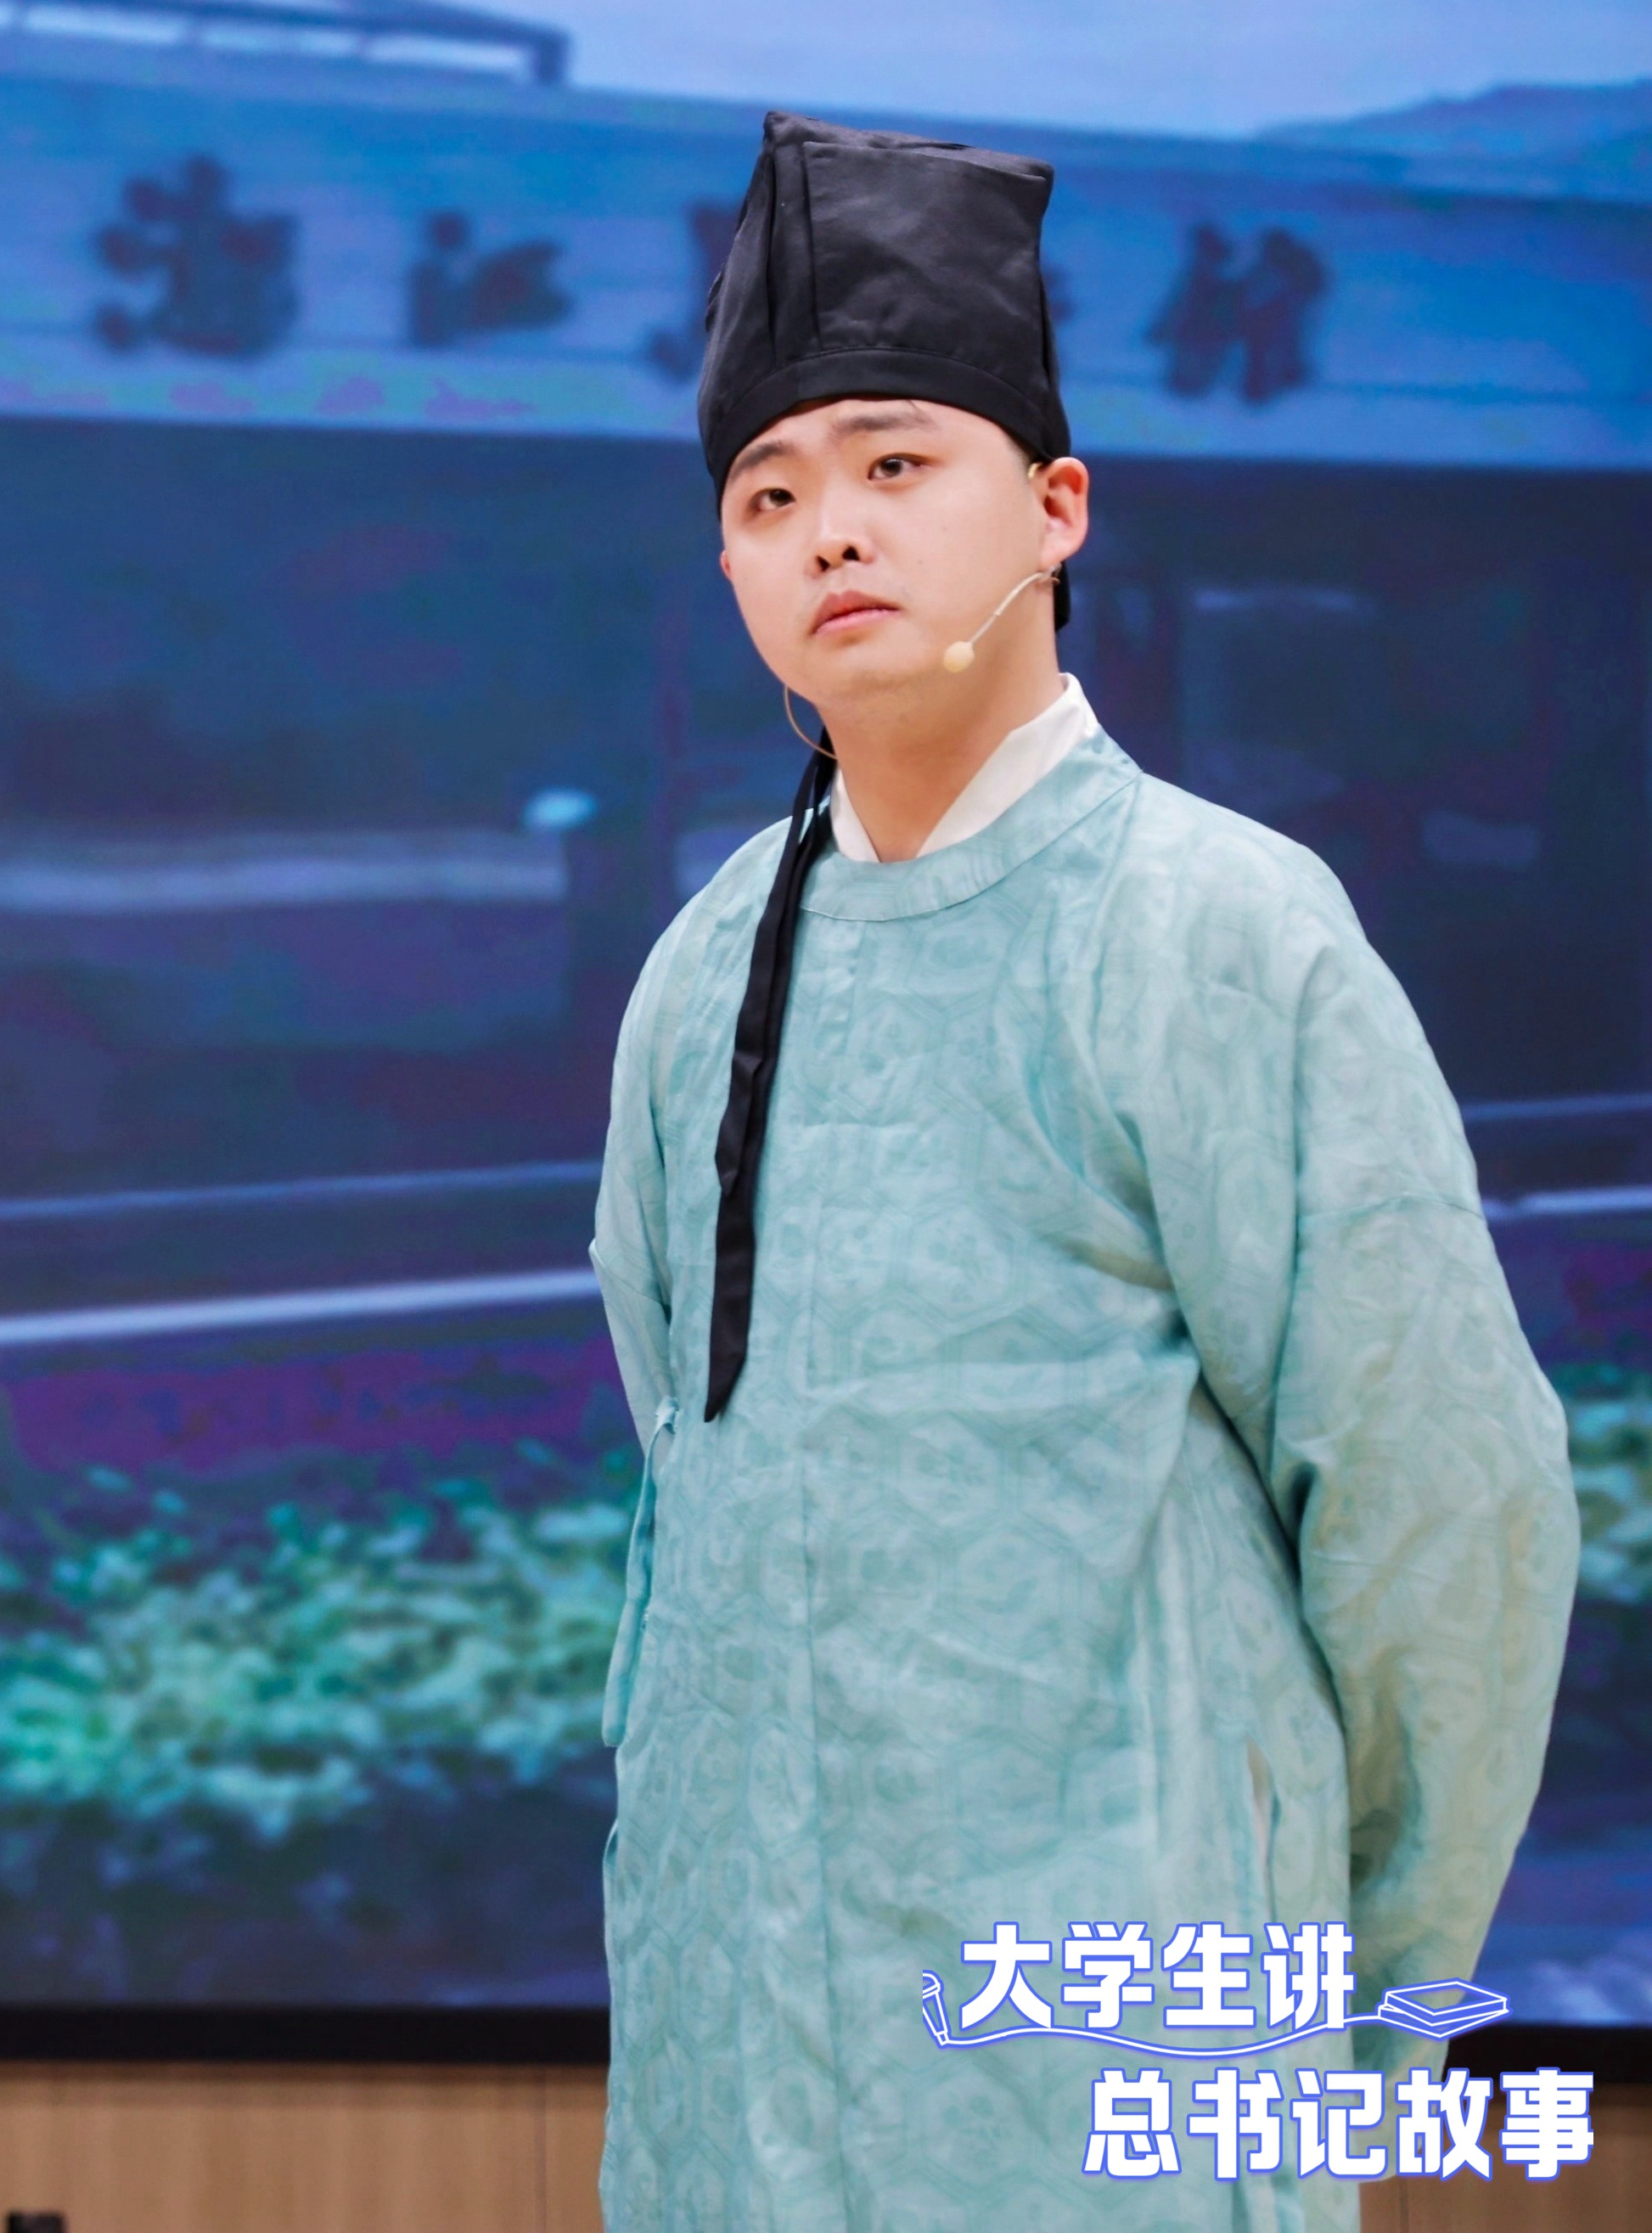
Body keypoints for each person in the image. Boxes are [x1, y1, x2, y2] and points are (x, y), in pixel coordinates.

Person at [587, 114, 1577, 2228]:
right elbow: (687, 1491)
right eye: (766, 496)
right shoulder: (698, 973)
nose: (827, 532)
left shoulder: (1218, 924)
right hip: (727, 2077)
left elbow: (1441, 1515)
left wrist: (1344, 1994)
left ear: (1054, 507)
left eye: (892, 463)